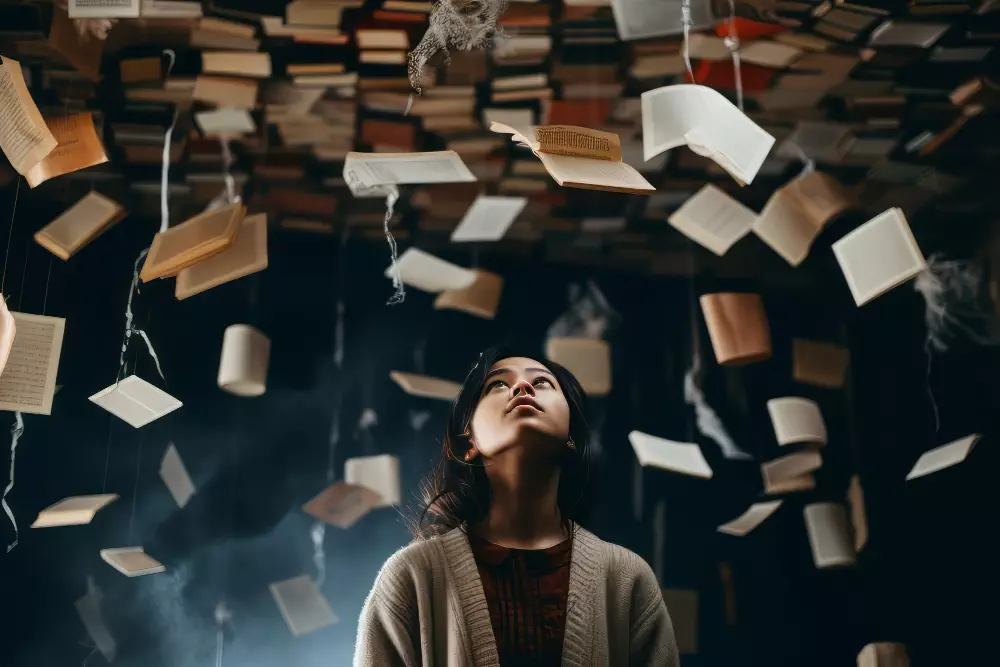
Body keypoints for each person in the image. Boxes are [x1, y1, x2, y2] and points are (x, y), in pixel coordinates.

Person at [354, 345, 679, 667]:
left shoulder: (627, 579)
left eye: (542, 383)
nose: (522, 387)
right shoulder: (411, 577)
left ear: (571, 437)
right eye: (497, 384)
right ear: (469, 443)